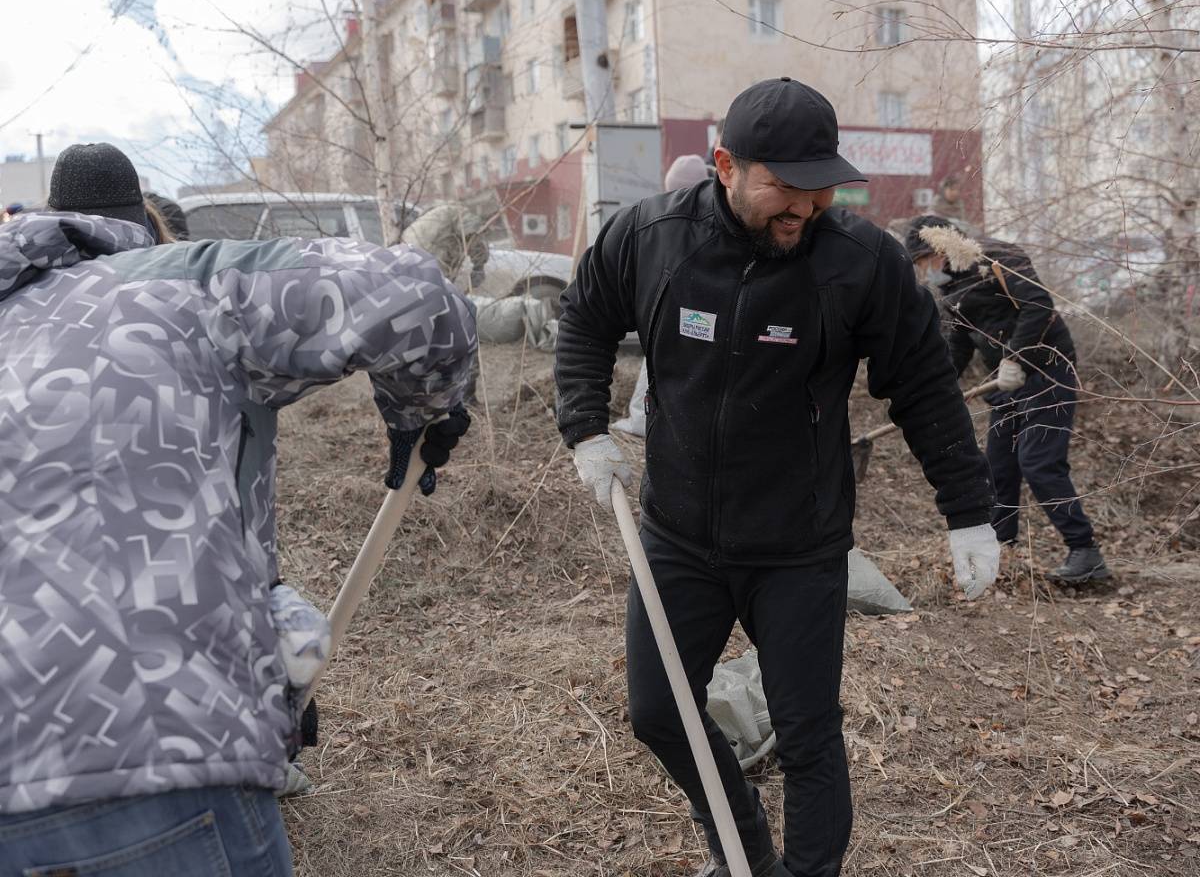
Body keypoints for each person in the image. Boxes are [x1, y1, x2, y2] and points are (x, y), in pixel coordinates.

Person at [555, 78, 999, 877]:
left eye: (819, 190)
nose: (803, 209)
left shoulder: (858, 263)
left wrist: (968, 510)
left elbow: (925, 385)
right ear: (726, 165)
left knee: (806, 737)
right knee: (660, 714)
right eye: (783, 190)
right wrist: (584, 426)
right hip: (679, 536)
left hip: (799, 544)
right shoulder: (651, 236)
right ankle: (743, 850)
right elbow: (585, 316)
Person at [0, 142, 477, 875]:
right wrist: (422, 410)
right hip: (147, 759)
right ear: (145, 225)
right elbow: (412, 291)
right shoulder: (185, 285)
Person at [905, 214, 1110, 584]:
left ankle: (1086, 552)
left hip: (1047, 369)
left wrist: (1016, 357)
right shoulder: (951, 285)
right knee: (998, 466)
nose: (924, 272)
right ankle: (1003, 550)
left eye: (923, 263)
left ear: (938, 248)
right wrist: (942, 388)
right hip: (1004, 383)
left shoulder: (998, 258)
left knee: (1039, 461)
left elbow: (1038, 306)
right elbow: (961, 341)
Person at [613, 153, 712, 437]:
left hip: (685, 315)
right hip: (689, 316)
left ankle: (643, 421)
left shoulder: (673, 223)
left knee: (661, 363)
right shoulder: (691, 217)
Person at [394, 198, 491, 288]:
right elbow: (474, 235)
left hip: (403, 257)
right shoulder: (459, 212)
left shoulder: (431, 214)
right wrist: (479, 266)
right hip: (429, 259)